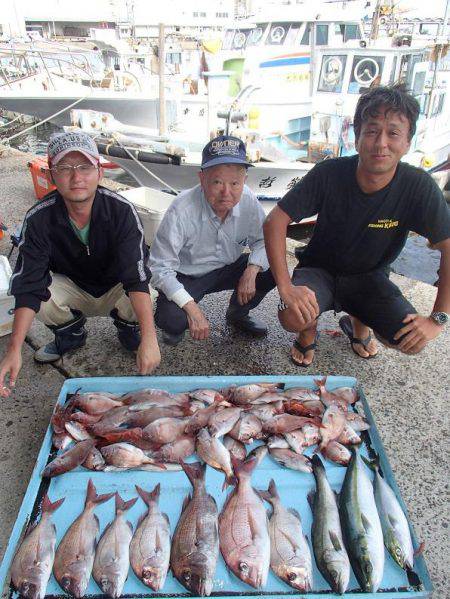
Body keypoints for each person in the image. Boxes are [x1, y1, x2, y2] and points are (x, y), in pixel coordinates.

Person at [263, 84, 450, 366]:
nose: (381, 143)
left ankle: (357, 322)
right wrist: (286, 287)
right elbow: (274, 220)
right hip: (319, 271)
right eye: (372, 130)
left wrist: (438, 317)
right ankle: (307, 330)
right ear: (357, 135)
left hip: (370, 277)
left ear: (407, 142)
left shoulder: (418, 186)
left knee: (410, 341)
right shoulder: (330, 172)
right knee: (291, 315)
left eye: (393, 133)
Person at [0, 131, 160, 396]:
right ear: (52, 175)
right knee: (38, 296)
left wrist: (151, 339)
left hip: (115, 286)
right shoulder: (39, 219)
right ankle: (71, 336)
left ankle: (131, 333)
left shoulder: (121, 211)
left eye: (85, 167)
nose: (76, 178)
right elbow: (28, 283)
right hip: (72, 286)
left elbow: (137, 275)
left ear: (99, 172)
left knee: (147, 292)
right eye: (65, 168)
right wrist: (14, 349)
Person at [149, 135, 276, 346]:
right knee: (171, 319)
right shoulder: (181, 209)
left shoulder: (248, 199)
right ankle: (181, 321)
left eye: (235, 183)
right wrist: (190, 307)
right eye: (217, 182)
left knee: (271, 268)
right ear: (202, 178)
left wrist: (252, 270)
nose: (226, 192)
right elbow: (159, 268)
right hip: (187, 274)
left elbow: (263, 240)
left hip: (228, 266)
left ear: (244, 180)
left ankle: (237, 313)